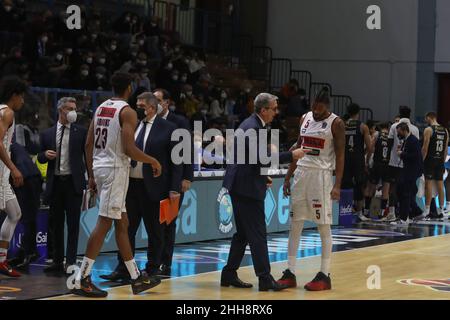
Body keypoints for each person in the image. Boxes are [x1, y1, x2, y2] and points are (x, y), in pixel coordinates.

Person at [72, 73, 162, 298]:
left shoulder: (101, 107)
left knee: (123, 223)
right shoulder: (127, 111)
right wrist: (152, 160)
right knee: (104, 223)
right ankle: (83, 278)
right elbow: (129, 148)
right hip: (115, 170)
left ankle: (136, 278)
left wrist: (92, 174)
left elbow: (88, 143)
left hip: (101, 168)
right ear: (129, 88)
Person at [221, 93, 307, 292]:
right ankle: (265, 278)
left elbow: (249, 159)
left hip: (242, 183)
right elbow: (262, 158)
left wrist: (261, 177)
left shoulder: (251, 124)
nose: (276, 113)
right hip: (245, 188)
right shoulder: (253, 127)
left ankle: (229, 273)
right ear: (263, 110)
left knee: (243, 233)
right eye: (274, 108)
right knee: (258, 234)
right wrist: (291, 155)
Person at [100, 92, 182, 282]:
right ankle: (124, 267)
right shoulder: (132, 124)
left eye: (141, 105)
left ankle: (152, 268)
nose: (136, 108)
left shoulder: (169, 128)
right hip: (130, 185)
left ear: (152, 108)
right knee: (126, 229)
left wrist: (174, 188)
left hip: (155, 186)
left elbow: (176, 162)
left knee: (155, 230)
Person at [276, 88, 345, 291]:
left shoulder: (336, 123)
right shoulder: (305, 117)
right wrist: (288, 176)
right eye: (314, 108)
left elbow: (341, 156)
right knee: (295, 223)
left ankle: (324, 274)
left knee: (323, 225)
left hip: (321, 177)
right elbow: (297, 148)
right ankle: (290, 272)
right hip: (301, 175)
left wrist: (338, 184)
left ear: (327, 108)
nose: (316, 112)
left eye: (320, 110)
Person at [38, 97, 87, 274]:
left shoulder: (81, 132)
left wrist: (92, 180)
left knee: (73, 225)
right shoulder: (47, 133)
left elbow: (87, 157)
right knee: (56, 224)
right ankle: (57, 261)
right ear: (60, 110)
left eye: (74, 108)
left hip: (73, 183)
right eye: (69, 108)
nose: (73, 111)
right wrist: (44, 154)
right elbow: (39, 157)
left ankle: (71, 262)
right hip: (56, 183)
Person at [154, 88, 194, 276]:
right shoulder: (149, 121)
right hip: (153, 180)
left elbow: (187, 150)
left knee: (168, 222)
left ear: (166, 103)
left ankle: (165, 263)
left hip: (175, 180)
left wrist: (187, 176)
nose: (154, 104)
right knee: (155, 223)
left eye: (157, 100)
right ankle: (153, 261)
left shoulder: (179, 122)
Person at [0, 76, 27, 277]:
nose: (23, 101)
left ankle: (2, 261)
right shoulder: (7, 112)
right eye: (22, 97)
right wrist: (14, 168)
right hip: (1, 171)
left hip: (3, 172)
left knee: (15, 213)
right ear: (14, 95)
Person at [9, 142, 42, 270]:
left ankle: (29, 252)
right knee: (27, 217)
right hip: (30, 177)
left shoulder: (4, 144)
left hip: (26, 178)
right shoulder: (11, 143)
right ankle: (27, 251)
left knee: (26, 217)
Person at [387, 106, 420, 220]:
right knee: (410, 190)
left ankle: (392, 212)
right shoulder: (415, 129)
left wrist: (391, 157)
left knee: (394, 188)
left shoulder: (393, 126)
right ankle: (411, 213)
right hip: (408, 166)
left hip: (395, 163)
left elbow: (389, 144)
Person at [341, 103, 372, 221]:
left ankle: (345, 210)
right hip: (358, 158)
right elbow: (369, 147)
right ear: (358, 112)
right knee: (359, 185)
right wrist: (364, 156)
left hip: (345, 158)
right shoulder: (363, 126)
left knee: (345, 184)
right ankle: (359, 213)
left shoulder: (342, 125)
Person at [416, 112, 449, 220]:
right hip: (440, 161)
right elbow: (444, 150)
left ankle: (427, 211)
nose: (426, 121)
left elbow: (425, 148)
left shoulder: (429, 130)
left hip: (430, 160)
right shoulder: (445, 131)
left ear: (429, 118)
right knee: (440, 185)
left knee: (428, 185)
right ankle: (441, 211)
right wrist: (442, 162)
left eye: (426, 119)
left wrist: (421, 161)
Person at [392, 123, 423, 225]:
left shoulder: (413, 141)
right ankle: (414, 213)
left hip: (411, 171)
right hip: (407, 170)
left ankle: (404, 218)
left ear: (404, 130)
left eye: (398, 131)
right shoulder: (407, 140)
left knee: (405, 194)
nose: (397, 134)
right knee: (402, 192)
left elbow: (416, 156)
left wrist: (402, 154)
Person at [364, 123, 391, 220]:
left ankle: (366, 211)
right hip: (387, 165)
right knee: (386, 189)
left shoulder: (377, 135)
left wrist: (367, 161)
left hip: (377, 164)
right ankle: (382, 213)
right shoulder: (391, 136)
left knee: (370, 187)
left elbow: (370, 149)